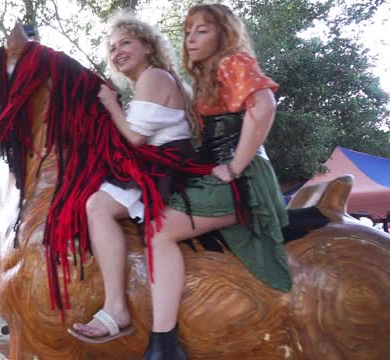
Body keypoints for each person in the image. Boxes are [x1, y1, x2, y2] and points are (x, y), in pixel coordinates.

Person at [139, 4, 292, 359]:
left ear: (223, 34)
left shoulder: (231, 62)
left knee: (159, 230)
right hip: (218, 172)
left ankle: (163, 344)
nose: (190, 38)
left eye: (202, 30)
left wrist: (235, 167)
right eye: (188, 31)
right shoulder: (208, 75)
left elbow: (264, 106)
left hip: (241, 178)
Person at [68, 13, 199, 344]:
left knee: (97, 204)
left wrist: (112, 104)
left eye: (126, 42)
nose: (117, 51)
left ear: (148, 46)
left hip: (168, 167)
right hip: (161, 163)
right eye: (112, 47)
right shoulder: (153, 80)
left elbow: (136, 138)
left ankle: (116, 308)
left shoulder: (154, 77)